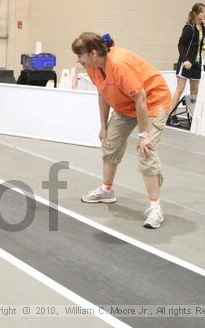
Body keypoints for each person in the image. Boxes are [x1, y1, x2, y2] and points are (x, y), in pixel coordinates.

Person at [71, 32, 171, 229]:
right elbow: (103, 93)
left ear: (92, 53)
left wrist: (143, 135)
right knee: (110, 142)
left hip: (152, 101)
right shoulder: (93, 67)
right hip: (126, 104)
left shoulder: (119, 64)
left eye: (80, 55)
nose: (78, 60)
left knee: (146, 150)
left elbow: (141, 98)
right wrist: (103, 125)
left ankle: (155, 208)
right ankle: (106, 191)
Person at [168, 3, 205, 125]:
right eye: (202, 11)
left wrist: (203, 46)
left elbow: (198, 43)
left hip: (197, 64)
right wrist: (185, 60)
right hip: (185, 63)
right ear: (196, 13)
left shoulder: (204, 27)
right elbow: (181, 45)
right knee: (180, 89)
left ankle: (192, 116)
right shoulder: (189, 28)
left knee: (194, 90)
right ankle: (171, 115)